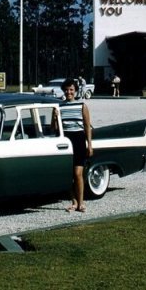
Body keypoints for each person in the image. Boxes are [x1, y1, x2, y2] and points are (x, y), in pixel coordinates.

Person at [51, 77, 93, 212]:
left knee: (78, 173)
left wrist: (89, 145)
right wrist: (54, 117)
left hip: (79, 140)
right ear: (63, 90)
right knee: (68, 174)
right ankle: (74, 202)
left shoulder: (82, 105)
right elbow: (54, 128)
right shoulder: (59, 106)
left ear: (75, 91)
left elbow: (87, 127)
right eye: (67, 90)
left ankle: (81, 203)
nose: (69, 92)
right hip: (66, 141)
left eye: (71, 90)